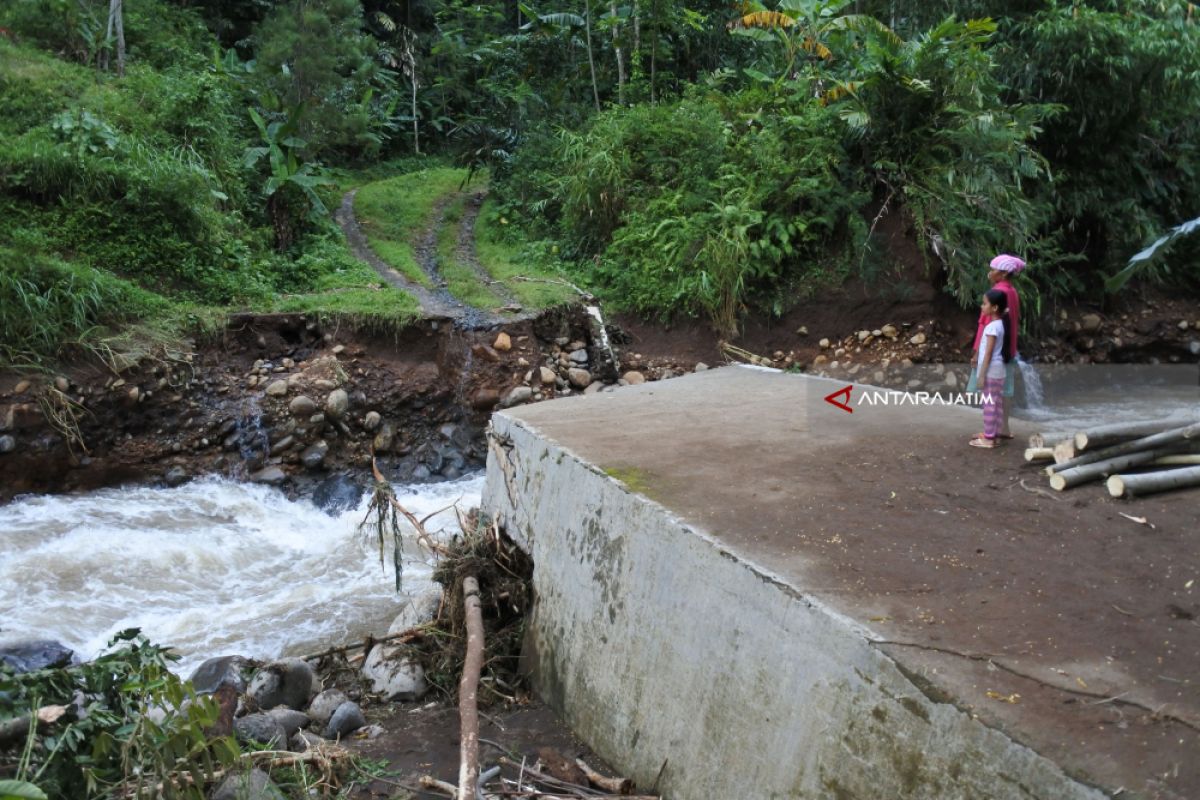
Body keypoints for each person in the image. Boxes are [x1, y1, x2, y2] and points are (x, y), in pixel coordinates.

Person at [969, 254, 1024, 438]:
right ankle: (1003, 428)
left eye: (992, 269)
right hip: (1008, 347)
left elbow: (983, 324)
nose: (989, 272)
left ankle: (991, 432)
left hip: (994, 352)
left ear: (1002, 273)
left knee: (991, 394)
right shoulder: (1013, 292)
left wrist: (977, 351)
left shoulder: (999, 293)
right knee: (1004, 389)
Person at [970, 288, 1013, 448]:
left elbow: (988, 353)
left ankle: (988, 438)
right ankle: (996, 433)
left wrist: (981, 375)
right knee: (996, 403)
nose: (982, 307)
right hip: (998, 371)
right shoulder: (1000, 324)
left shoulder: (992, 327)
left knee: (989, 404)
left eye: (984, 303)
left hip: (991, 371)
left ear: (994, 308)